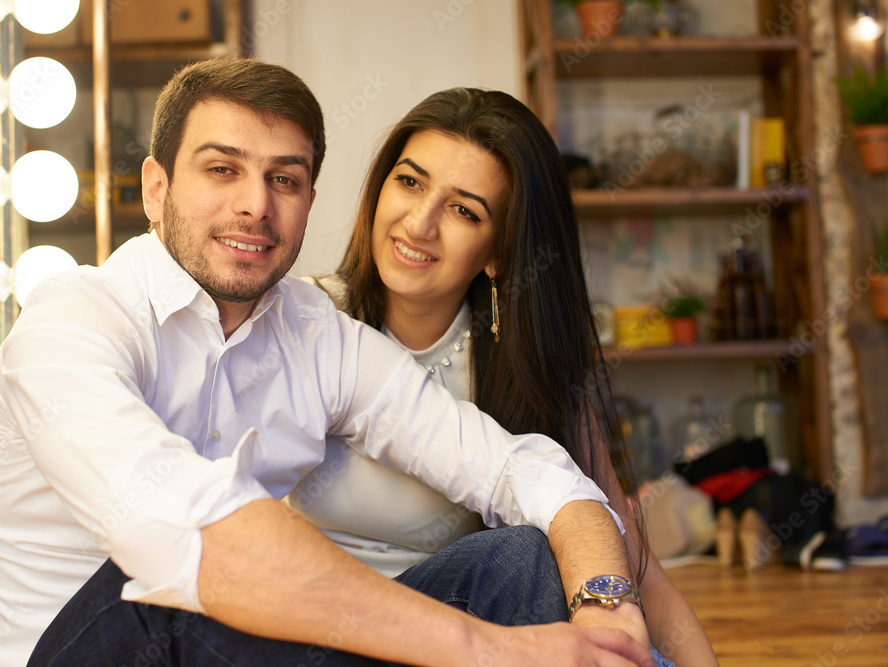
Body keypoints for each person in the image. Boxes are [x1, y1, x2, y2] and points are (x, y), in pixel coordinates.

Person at [0, 57, 657, 666]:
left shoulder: (314, 333)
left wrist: (604, 603)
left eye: (284, 180)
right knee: (168, 590)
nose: (254, 205)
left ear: (310, 203)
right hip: (88, 648)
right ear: (155, 187)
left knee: (520, 559)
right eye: (221, 169)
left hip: (243, 650)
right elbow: (200, 540)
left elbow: (524, 468)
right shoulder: (70, 324)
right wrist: (489, 650)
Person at [287, 87, 719, 665]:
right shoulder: (304, 318)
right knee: (526, 558)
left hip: (452, 642)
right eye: (410, 182)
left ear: (498, 251)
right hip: (313, 631)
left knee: (538, 555)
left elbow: (642, 574)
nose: (419, 223)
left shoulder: (523, 368)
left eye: (465, 210)